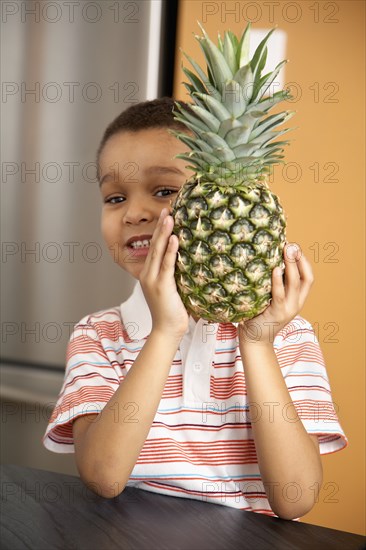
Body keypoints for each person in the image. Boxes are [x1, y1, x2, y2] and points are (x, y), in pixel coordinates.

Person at [43, 97, 347, 520]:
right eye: (114, 197)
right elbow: (103, 477)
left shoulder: (290, 338)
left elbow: (295, 499)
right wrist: (165, 332)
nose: (133, 213)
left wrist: (257, 346)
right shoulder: (98, 334)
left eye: (164, 191)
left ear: (221, 206)